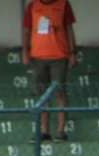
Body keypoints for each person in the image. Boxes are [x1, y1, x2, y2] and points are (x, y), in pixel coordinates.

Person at [22, 0, 77, 141]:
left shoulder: (63, 4)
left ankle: (61, 131)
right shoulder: (32, 6)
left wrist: (73, 53)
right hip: (37, 57)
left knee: (60, 93)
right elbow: (26, 31)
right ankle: (44, 131)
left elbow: (69, 29)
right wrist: (25, 52)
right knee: (42, 95)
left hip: (59, 56)